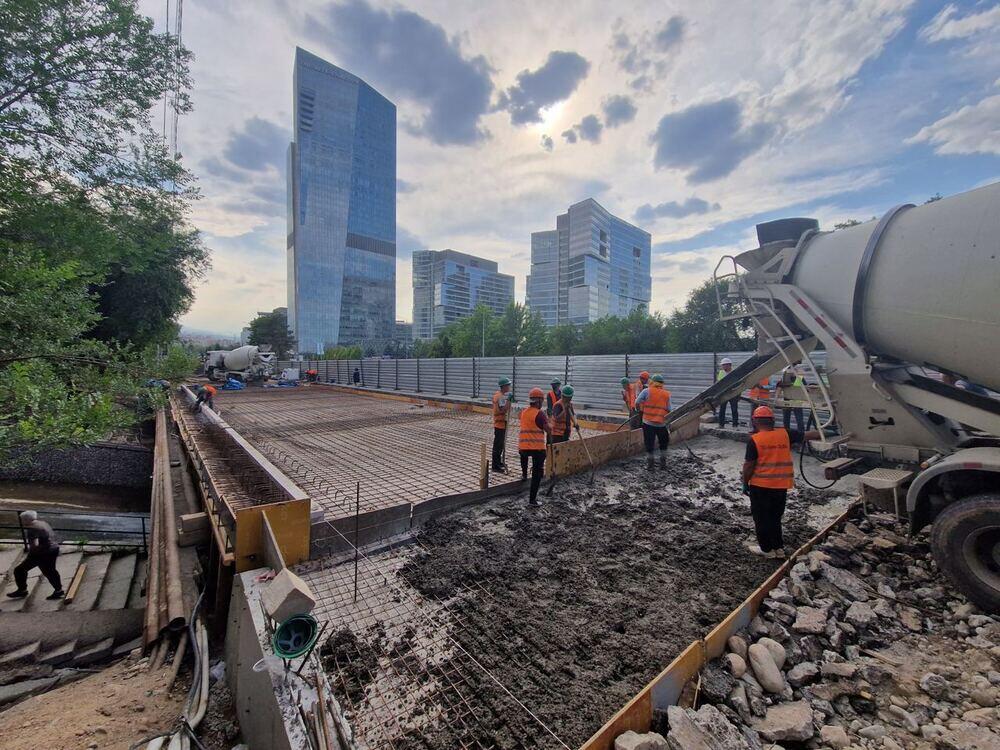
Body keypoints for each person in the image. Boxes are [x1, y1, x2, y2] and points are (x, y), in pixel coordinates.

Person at [741, 406, 820, 559]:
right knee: (775, 517)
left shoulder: (755, 440)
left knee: (761, 519)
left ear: (754, 421)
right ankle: (778, 548)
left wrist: (745, 483)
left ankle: (767, 550)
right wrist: (830, 432)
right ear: (773, 420)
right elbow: (809, 435)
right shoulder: (785, 434)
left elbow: (749, 466)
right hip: (780, 485)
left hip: (761, 486)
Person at [7, 511, 63, 600]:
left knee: (19, 570)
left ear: (26, 520)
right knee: (50, 571)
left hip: (41, 553)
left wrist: (31, 555)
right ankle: (58, 590)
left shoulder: (32, 529)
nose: (21, 521)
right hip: (53, 549)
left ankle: (22, 590)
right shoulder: (43, 523)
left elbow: (35, 545)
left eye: (22, 520)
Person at [519, 388, 552, 506]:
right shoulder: (540, 414)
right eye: (542, 400)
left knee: (523, 456)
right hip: (537, 448)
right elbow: (548, 430)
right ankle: (532, 500)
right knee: (537, 473)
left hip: (523, 447)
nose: (542, 402)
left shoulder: (524, 412)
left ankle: (524, 474)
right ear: (538, 401)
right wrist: (550, 423)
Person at [634, 374, 671, 469]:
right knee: (663, 443)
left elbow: (637, 402)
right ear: (662, 383)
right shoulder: (666, 394)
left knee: (649, 443)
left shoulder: (646, 391)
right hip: (661, 424)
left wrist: (639, 410)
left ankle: (650, 465)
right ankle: (663, 464)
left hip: (648, 423)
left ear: (652, 382)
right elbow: (669, 409)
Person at [491, 377, 513, 472]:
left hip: (501, 424)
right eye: (508, 385)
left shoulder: (500, 395)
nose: (509, 387)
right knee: (498, 445)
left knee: (500, 445)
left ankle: (498, 462)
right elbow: (503, 410)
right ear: (504, 386)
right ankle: (495, 466)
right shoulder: (500, 397)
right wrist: (509, 400)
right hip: (499, 424)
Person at [780, 362, 806, 433]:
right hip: (793, 397)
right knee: (796, 416)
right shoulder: (790, 370)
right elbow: (802, 384)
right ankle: (800, 432)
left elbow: (798, 384)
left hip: (790, 397)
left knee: (789, 416)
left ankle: (789, 432)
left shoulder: (786, 371)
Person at [716, 358, 740, 428]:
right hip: (724, 394)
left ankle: (735, 425)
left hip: (733, 393)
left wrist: (738, 394)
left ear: (729, 365)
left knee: (734, 409)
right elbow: (718, 383)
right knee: (722, 409)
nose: (723, 367)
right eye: (722, 365)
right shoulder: (721, 372)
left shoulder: (735, 372)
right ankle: (721, 424)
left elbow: (739, 383)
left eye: (724, 365)